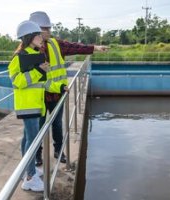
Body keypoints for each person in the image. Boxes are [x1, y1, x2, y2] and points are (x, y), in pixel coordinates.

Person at [29, 11, 108, 166]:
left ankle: (59, 151)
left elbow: (75, 47)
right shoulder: (27, 50)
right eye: (44, 29)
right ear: (34, 30)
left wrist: (96, 48)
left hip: (57, 94)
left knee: (57, 124)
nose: (48, 32)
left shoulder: (55, 44)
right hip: (38, 96)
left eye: (48, 28)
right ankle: (37, 155)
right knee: (38, 127)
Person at [8, 20, 49, 192]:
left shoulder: (34, 54)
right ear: (29, 37)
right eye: (38, 34)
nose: (41, 37)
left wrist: (58, 86)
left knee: (28, 139)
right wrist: (38, 71)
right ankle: (29, 178)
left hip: (35, 105)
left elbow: (40, 83)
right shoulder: (19, 58)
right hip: (27, 106)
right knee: (32, 142)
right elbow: (17, 82)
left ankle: (29, 171)